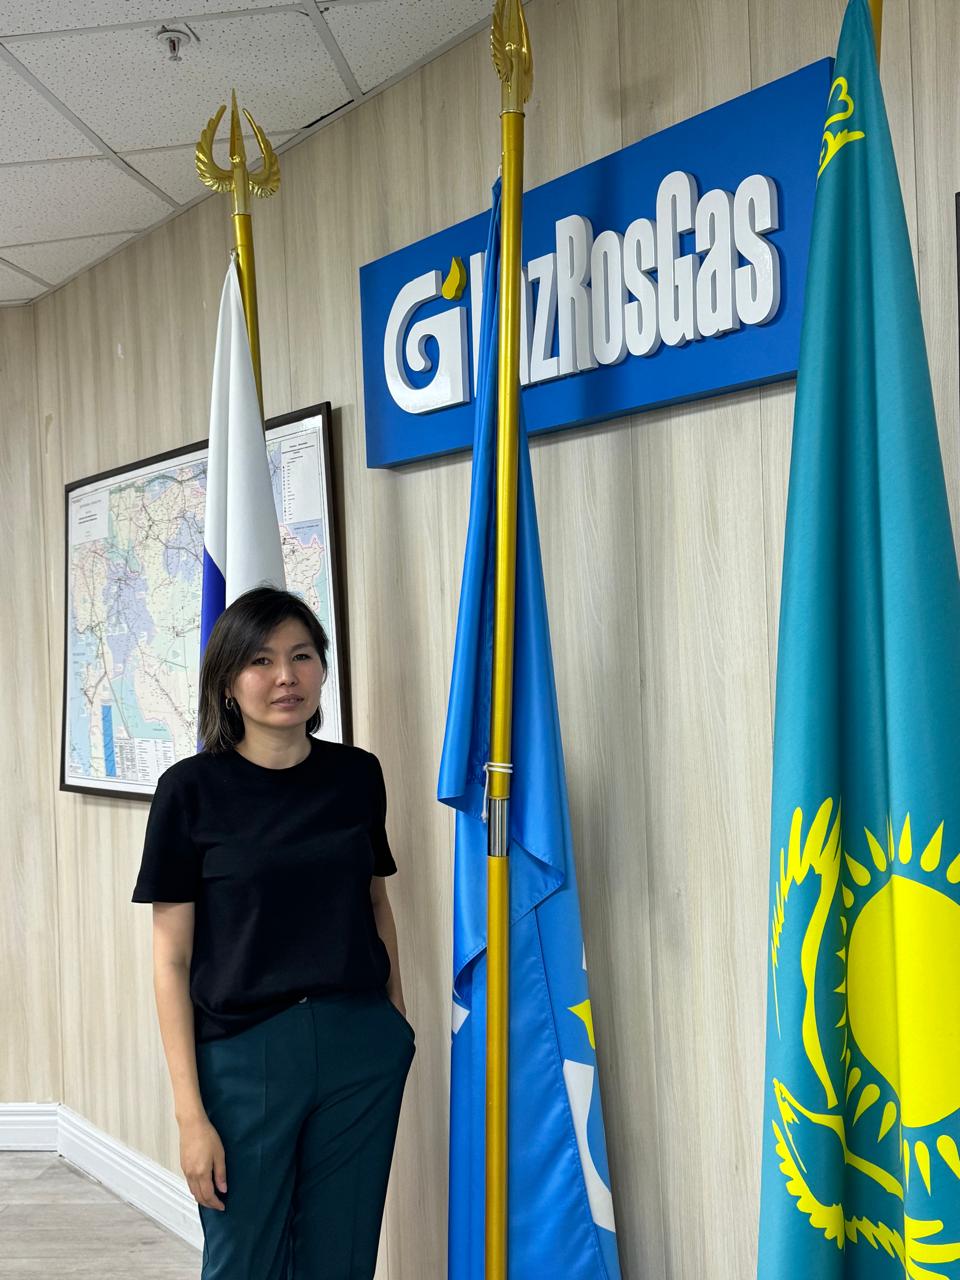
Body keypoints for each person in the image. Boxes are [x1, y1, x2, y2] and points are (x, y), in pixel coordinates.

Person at [131, 585, 415, 1279]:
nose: (286, 676)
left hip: (359, 1044)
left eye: (302, 656)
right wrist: (190, 1115)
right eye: (260, 660)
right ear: (228, 682)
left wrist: (395, 1019)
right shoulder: (188, 791)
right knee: (243, 1261)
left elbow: (375, 901)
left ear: (322, 668)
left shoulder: (357, 775)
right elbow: (171, 960)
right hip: (244, 1055)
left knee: (341, 1258)